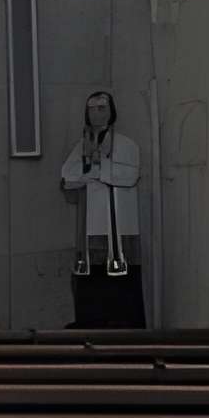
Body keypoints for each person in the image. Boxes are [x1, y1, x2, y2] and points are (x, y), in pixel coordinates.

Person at [61, 89, 144, 328]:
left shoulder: (127, 144)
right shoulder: (82, 145)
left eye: (101, 108)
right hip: (89, 224)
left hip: (119, 223)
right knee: (91, 281)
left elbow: (129, 175)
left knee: (122, 281)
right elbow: (68, 176)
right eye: (91, 109)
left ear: (111, 112)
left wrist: (97, 168)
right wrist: (93, 169)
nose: (96, 113)